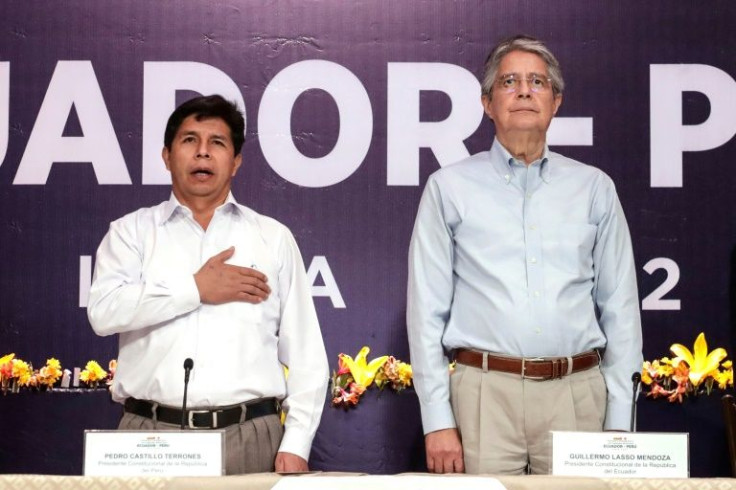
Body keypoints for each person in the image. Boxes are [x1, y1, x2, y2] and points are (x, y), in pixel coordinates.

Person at [407, 35, 643, 475]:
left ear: (555, 102)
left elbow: (621, 309)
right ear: (487, 103)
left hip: (577, 396)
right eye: (509, 82)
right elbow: (426, 312)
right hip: (483, 397)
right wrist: (437, 420)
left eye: (537, 82)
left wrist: (620, 424)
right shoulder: (449, 187)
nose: (523, 91)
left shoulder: (594, 188)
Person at [88, 94, 328, 474]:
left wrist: (297, 441)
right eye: (189, 141)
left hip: (249, 437)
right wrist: (196, 289)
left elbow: (306, 354)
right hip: (148, 436)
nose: (202, 153)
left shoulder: (271, 237)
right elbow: (103, 313)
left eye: (216, 143)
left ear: (235, 163)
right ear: (166, 156)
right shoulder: (130, 233)